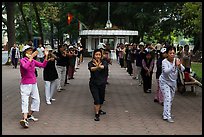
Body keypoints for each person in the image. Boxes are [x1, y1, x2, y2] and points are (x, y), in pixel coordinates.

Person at [19, 45, 48, 128]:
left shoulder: (32, 61)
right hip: (25, 84)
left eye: (31, 51)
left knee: (37, 100)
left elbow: (43, 65)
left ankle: (29, 115)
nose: (30, 52)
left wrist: (46, 56)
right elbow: (25, 67)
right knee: (25, 101)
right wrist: (31, 57)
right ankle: (24, 119)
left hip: (33, 83)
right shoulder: (23, 60)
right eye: (28, 51)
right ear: (25, 52)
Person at [159, 46, 185, 123]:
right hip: (164, 82)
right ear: (167, 54)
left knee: (170, 99)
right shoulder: (164, 62)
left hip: (173, 82)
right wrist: (174, 65)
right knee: (167, 98)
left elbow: (183, 69)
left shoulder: (176, 60)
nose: (172, 55)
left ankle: (165, 114)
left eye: (173, 53)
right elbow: (166, 71)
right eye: (170, 53)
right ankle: (168, 116)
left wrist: (179, 65)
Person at [88, 49, 108, 121]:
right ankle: (97, 114)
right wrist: (97, 66)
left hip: (102, 84)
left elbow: (103, 67)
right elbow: (91, 69)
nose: (98, 56)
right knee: (97, 99)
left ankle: (99, 110)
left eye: (99, 55)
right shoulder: (90, 63)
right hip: (93, 84)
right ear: (94, 55)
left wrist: (99, 66)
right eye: (96, 54)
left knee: (101, 99)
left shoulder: (104, 62)